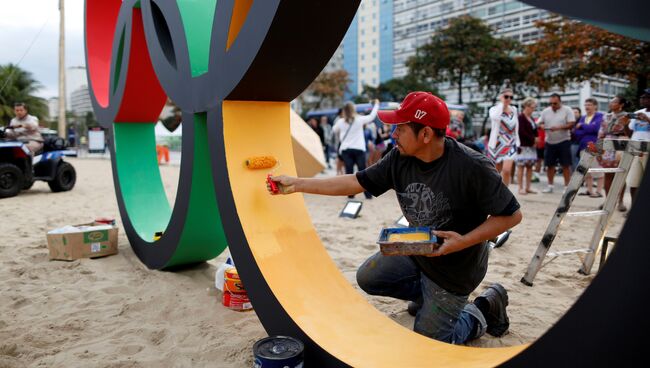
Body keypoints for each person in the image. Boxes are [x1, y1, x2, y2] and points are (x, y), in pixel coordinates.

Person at [268, 91, 522, 344]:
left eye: (400, 129)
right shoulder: (399, 157)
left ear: (425, 134)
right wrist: (296, 184)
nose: (393, 134)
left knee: (431, 342)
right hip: (417, 251)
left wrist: (463, 241)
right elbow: (355, 182)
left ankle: (484, 307)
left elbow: (512, 215)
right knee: (368, 277)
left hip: (455, 270)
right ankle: (426, 298)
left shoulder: (472, 167)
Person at [332, 100, 379, 199]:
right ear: (354, 110)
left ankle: (350, 194)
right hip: (358, 148)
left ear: (344, 111)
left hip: (346, 149)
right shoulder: (359, 119)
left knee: (349, 173)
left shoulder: (341, 121)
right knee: (362, 172)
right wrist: (377, 105)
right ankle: (368, 194)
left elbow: (334, 130)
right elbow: (371, 116)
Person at [597, 95, 631, 212]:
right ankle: (608, 201)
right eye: (611, 102)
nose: (611, 104)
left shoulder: (627, 116)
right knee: (608, 174)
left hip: (622, 144)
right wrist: (599, 150)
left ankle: (620, 201)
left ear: (621, 104)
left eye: (614, 102)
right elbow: (601, 133)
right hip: (607, 145)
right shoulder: (606, 116)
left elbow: (629, 131)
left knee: (621, 174)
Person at [537, 93, 576, 193]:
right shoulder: (546, 111)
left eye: (555, 103)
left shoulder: (567, 110)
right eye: (551, 103)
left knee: (566, 165)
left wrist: (559, 128)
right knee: (549, 165)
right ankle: (550, 186)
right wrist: (541, 126)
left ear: (560, 102)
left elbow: (572, 123)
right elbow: (539, 122)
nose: (552, 105)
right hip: (549, 141)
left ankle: (566, 187)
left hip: (564, 141)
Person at [487, 89, 519, 186]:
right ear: (501, 97)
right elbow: (495, 117)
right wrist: (502, 105)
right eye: (506, 96)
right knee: (496, 172)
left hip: (510, 143)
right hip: (497, 143)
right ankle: (496, 192)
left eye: (511, 97)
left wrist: (518, 141)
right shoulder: (494, 109)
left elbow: (515, 126)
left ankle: (505, 193)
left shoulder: (514, 109)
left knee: (506, 170)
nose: (508, 99)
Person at [574, 98, 605, 197]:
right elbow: (576, 132)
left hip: (595, 145)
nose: (587, 106)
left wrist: (582, 126)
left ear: (595, 106)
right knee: (585, 169)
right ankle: (589, 190)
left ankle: (599, 191)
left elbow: (596, 129)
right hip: (583, 145)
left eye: (589, 104)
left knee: (597, 168)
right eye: (586, 104)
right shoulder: (583, 117)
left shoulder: (600, 116)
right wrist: (586, 128)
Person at [626, 90, 650, 207]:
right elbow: (630, 133)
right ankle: (633, 208)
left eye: (645, 97)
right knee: (633, 182)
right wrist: (624, 124)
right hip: (636, 150)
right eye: (641, 97)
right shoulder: (638, 112)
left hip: (648, 150)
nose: (642, 100)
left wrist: (648, 120)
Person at [516, 97, 538, 195]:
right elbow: (521, 131)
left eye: (534, 107)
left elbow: (534, 130)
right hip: (523, 145)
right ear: (526, 106)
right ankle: (520, 188)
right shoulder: (521, 117)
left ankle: (528, 187)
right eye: (532, 107)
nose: (533, 109)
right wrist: (533, 139)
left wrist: (536, 138)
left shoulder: (531, 118)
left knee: (530, 166)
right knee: (521, 166)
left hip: (531, 146)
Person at [570, 107, 582, 172]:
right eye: (573, 112)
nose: (574, 114)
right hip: (572, 143)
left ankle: (579, 177)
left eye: (576, 112)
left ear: (579, 113)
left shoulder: (582, 121)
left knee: (576, 160)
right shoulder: (570, 122)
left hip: (578, 143)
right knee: (573, 160)